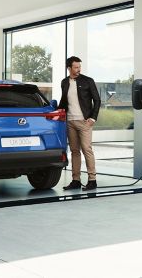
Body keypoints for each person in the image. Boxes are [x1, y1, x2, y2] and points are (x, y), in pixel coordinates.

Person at [59, 56, 101, 191]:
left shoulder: (88, 81)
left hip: (84, 122)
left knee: (87, 150)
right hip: (70, 121)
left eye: (79, 67)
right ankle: (76, 180)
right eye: (76, 67)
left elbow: (97, 100)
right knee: (74, 151)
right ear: (69, 68)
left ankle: (92, 180)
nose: (78, 69)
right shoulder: (64, 82)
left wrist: (93, 118)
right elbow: (63, 102)